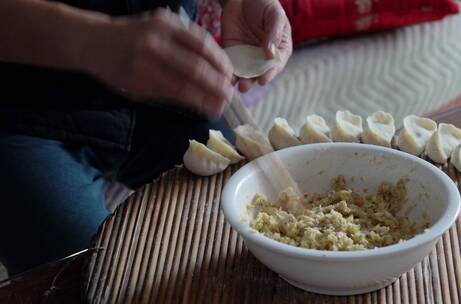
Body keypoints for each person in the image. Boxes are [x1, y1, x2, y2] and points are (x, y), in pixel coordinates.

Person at [0, 0, 292, 275]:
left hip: (170, 81)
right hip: (21, 112)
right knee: (91, 278)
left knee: (255, 227)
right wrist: (90, 41)